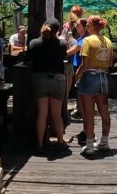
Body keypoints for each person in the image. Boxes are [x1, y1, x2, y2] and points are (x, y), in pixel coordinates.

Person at [27, 18, 70, 154]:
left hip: (40, 78)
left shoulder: (34, 43)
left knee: (42, 113)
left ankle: (40, 144)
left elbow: (28, 59)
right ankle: (61, 142)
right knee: (56, 114)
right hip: (57, 79)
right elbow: (64, 57)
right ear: (57, 30)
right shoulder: (62, 44)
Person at [76, 15, 114, 156]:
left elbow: (84, 64)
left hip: (90, 77)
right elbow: (110, 63)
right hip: (103, 76)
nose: (86, 26)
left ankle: (90, 145)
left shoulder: (87, 41)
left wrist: (77, 76)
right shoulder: (108, 41)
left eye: (87, 24)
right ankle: (104, 142)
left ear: (91, 25)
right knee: (104, 111)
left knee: (89, 113)